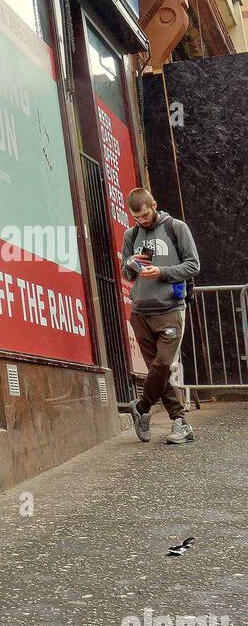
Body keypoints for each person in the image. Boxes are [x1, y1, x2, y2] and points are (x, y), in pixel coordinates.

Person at [120, 187, 200, 445]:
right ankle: (179, 422)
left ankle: (141, 408)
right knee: (159, 372)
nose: (142, 221)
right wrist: (131, 263)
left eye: (145, 215)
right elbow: (126, 274)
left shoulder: (176, 227)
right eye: (137, 217)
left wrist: (162, 272)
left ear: (153, 205)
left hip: (170, 309)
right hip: (141, 311)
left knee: (162, 365)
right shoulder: (131, 234)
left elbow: (193, 265)